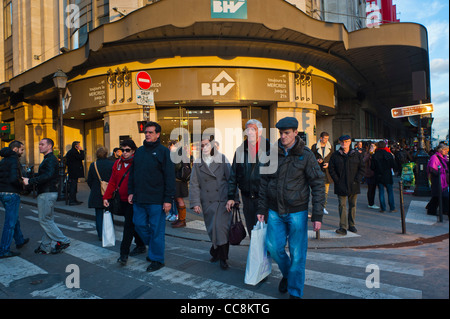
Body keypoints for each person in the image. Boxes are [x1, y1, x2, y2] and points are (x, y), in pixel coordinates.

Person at [257, 117, 324, 299]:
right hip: (274, 211)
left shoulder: (306, 155)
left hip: (297, 212)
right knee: (273, 248)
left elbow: (318, 184)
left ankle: (295, 291)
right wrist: (261, 209)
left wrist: (317, 215)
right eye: (281, 133)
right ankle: (288, 275)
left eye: (287, 133)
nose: (283, 136)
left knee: (297, 254)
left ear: (295, 132)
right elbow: (263, 183)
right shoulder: (272, 153)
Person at [128, 121, 175, 272]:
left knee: (156, 230)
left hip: (157, 200)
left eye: (150, 132)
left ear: (157, 134)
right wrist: (131, 191)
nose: (147, 134)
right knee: (139, 224)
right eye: (146, 132)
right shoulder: (140, 151)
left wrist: (168, 199)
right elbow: (132, 174)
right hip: (139, 198)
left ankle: (157, 259)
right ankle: (155, 248)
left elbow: (169, 177)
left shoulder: (164, 152)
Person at [190, 138, 237, 270]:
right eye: (202, 145)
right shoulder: (198, 163)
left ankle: (223, 258)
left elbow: (231, 179)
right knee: (213, 230)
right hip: (207, 202)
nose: (204, 147)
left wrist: (233, 198)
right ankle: (215, 251)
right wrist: (195, 203)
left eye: (207, 145)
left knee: (221, 230)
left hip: (223, 202)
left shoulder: (222, 159)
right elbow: (194, 184)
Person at [23, 138, 71, 254]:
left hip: (47, 193)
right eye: (39, 144)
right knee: (48, 220)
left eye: (42, 144)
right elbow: (45, 174)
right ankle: (45, 247)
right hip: (48, 192)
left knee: (44, 220)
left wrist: (30, 181)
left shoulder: (50, 159)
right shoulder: (48, 159)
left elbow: (48, 175)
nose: (39, 146)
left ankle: (63, 240)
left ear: (49, 146)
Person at [103, 139, 146, 265]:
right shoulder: (117, 163)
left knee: (128, 226)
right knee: (133, 224)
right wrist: (106, 197)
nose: (125, 153)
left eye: (128, 150)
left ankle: (123, 254)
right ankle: (140, 244)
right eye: (123, 150)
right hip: (120, 200)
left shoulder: (137, 162)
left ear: (133, 150)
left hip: (133, 201)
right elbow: (112, 181)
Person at [226, 119, 271, 236]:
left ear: (259, 132)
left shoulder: (269, 150)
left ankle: (265, 254)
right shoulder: (240, 151)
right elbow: (233, 175)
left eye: (253, 129)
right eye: (248, 129)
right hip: (247, 199)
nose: (250, 132)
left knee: (265, 232)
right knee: (252, 231)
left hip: (265, 198)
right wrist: (231, 196)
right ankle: (255, 254)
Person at [328, 135, 364, 235]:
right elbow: (331, 169)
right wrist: (337, 180)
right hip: (341, 184)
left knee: (353, 205)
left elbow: (362, 168)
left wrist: (357, 179)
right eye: (343, 142)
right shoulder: (335, 155)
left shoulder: (356, 154)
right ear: (340, 142)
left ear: (350, 142)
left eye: (347, 141)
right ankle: (343, 226)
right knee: (342, 205)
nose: (344, 143)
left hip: (354, 184)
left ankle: (352, 225)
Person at [0, 141, 29, 258]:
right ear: (16, 149)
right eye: (22, 150)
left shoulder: (4, 159)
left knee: (14, 218)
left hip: (2, 192)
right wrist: (22, 184)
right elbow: (13, 179)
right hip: (11, 193)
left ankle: (19, 240)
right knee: (10, 223)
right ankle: (4, 250)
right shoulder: (13, 160)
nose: (22, 152)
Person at [86, 146, 114, 240]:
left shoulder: (93, 165)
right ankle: (109, 232)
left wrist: (94, 188)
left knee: (98, 214)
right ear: (106, 154)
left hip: (96, 192)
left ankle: (100, 235)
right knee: (109, 213)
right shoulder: (111, 164)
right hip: (109, 191)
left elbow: (89, 180)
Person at [168, 140, 191, 228]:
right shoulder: (181, 153)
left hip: (179, 181)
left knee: (179, 199)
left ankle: (182, 220)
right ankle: (180, 219)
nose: (171, 147)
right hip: (179, 180)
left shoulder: (178, 154)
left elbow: (176, 166)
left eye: (173, 145)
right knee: (177, 200)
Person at [310, 131, 333, 215]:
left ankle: (323, 207)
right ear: (321, 138)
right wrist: (317, 161)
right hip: (317, 172)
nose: (327, 140)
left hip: (327, 173)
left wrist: (328, 164)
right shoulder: (314, 147)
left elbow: (333, 159)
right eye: (325, 138)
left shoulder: (330, 148)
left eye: (327, 138)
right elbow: (310, 158)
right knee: (316, 191)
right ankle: (316, 207)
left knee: (326, 192)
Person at [371, 140, 397, 213]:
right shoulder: (389, 155)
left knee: (381, 192)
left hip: (379, 175)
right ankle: (392, 208)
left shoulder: (374, 155)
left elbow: (372, 167)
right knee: (390, 191)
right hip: (387, 175)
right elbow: (393, 165)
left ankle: (383, 208)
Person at [426, 143, 449, 216]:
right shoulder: (434, 157)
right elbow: (432, 169)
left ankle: (434, 209)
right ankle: (433, 210)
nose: (447, 152)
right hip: (437, 179)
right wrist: (440, 173)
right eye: (445, 150)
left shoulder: (443, 157)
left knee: (439, 195)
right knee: (439, 195)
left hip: (442, 179)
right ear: (440, 150)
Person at [65, 141, 85, 205]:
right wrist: (81, 151)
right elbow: (82, 157)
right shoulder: (74, 152)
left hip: (72, 171)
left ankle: (74, 200)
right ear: (75, 146)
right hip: (74, 172)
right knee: (73, 186)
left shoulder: (71, 152)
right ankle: (72, 200)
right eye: (78, 145)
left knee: (74, 186)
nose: (79, 146)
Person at [363, 142, 380, 209]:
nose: (372, 148)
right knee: (370, 189)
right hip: (369, 173)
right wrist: (369, 154)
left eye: (373, 147)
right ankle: (371, 203)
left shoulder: (376, 154)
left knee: (373, 189)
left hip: (375, 173)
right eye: (371, 147)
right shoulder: (367, 154)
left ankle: (371, 202)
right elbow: (363, 160)